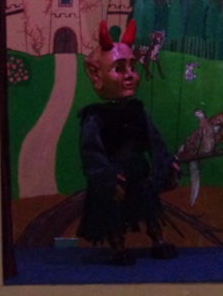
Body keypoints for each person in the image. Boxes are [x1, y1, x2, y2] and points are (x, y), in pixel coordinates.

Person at [77, 19, 180, 266]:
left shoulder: (136, 111)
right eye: (119, 69)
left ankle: (157, 239)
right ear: (95, 74)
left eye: (132, 67)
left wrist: (167, 162)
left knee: (149, 205)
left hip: (138, 174)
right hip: (114, 179)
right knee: (112, 210)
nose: (129, 76)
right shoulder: (95, 117)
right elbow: (91, 151)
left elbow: (154, 140)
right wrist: (105, 177)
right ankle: (118, 246)